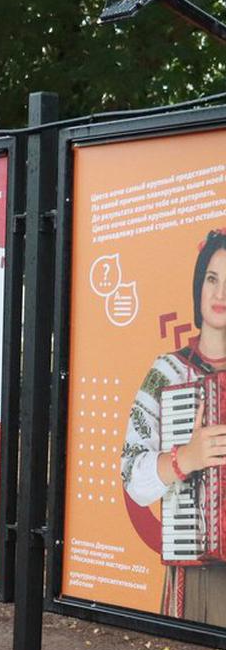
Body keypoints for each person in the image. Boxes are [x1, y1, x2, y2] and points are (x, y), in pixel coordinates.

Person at [121, 230, 226, 622]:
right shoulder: (168, 372)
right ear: (199, 285)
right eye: (213, 279)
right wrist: (185, 458)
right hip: (196, 574)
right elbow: (132, 473)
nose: (220, 294)